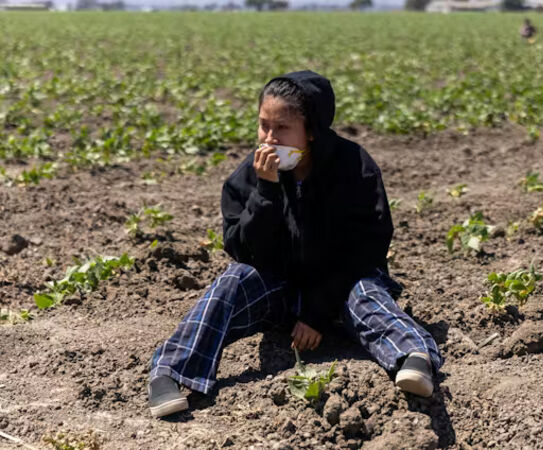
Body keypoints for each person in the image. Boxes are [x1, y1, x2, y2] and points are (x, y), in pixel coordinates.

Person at [147, 70, 443, 419]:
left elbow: (365, 250)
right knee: (231, 281)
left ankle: (413, 356)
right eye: (263, 126)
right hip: (280, 293)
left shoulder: (352, 167)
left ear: (312, 130)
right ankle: (170, 372)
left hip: (340, 289)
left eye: (282, 128)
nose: (269, 139)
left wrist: (315, 313)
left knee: (366, 291)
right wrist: (266, 191)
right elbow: (243, 250)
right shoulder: (248, 176)